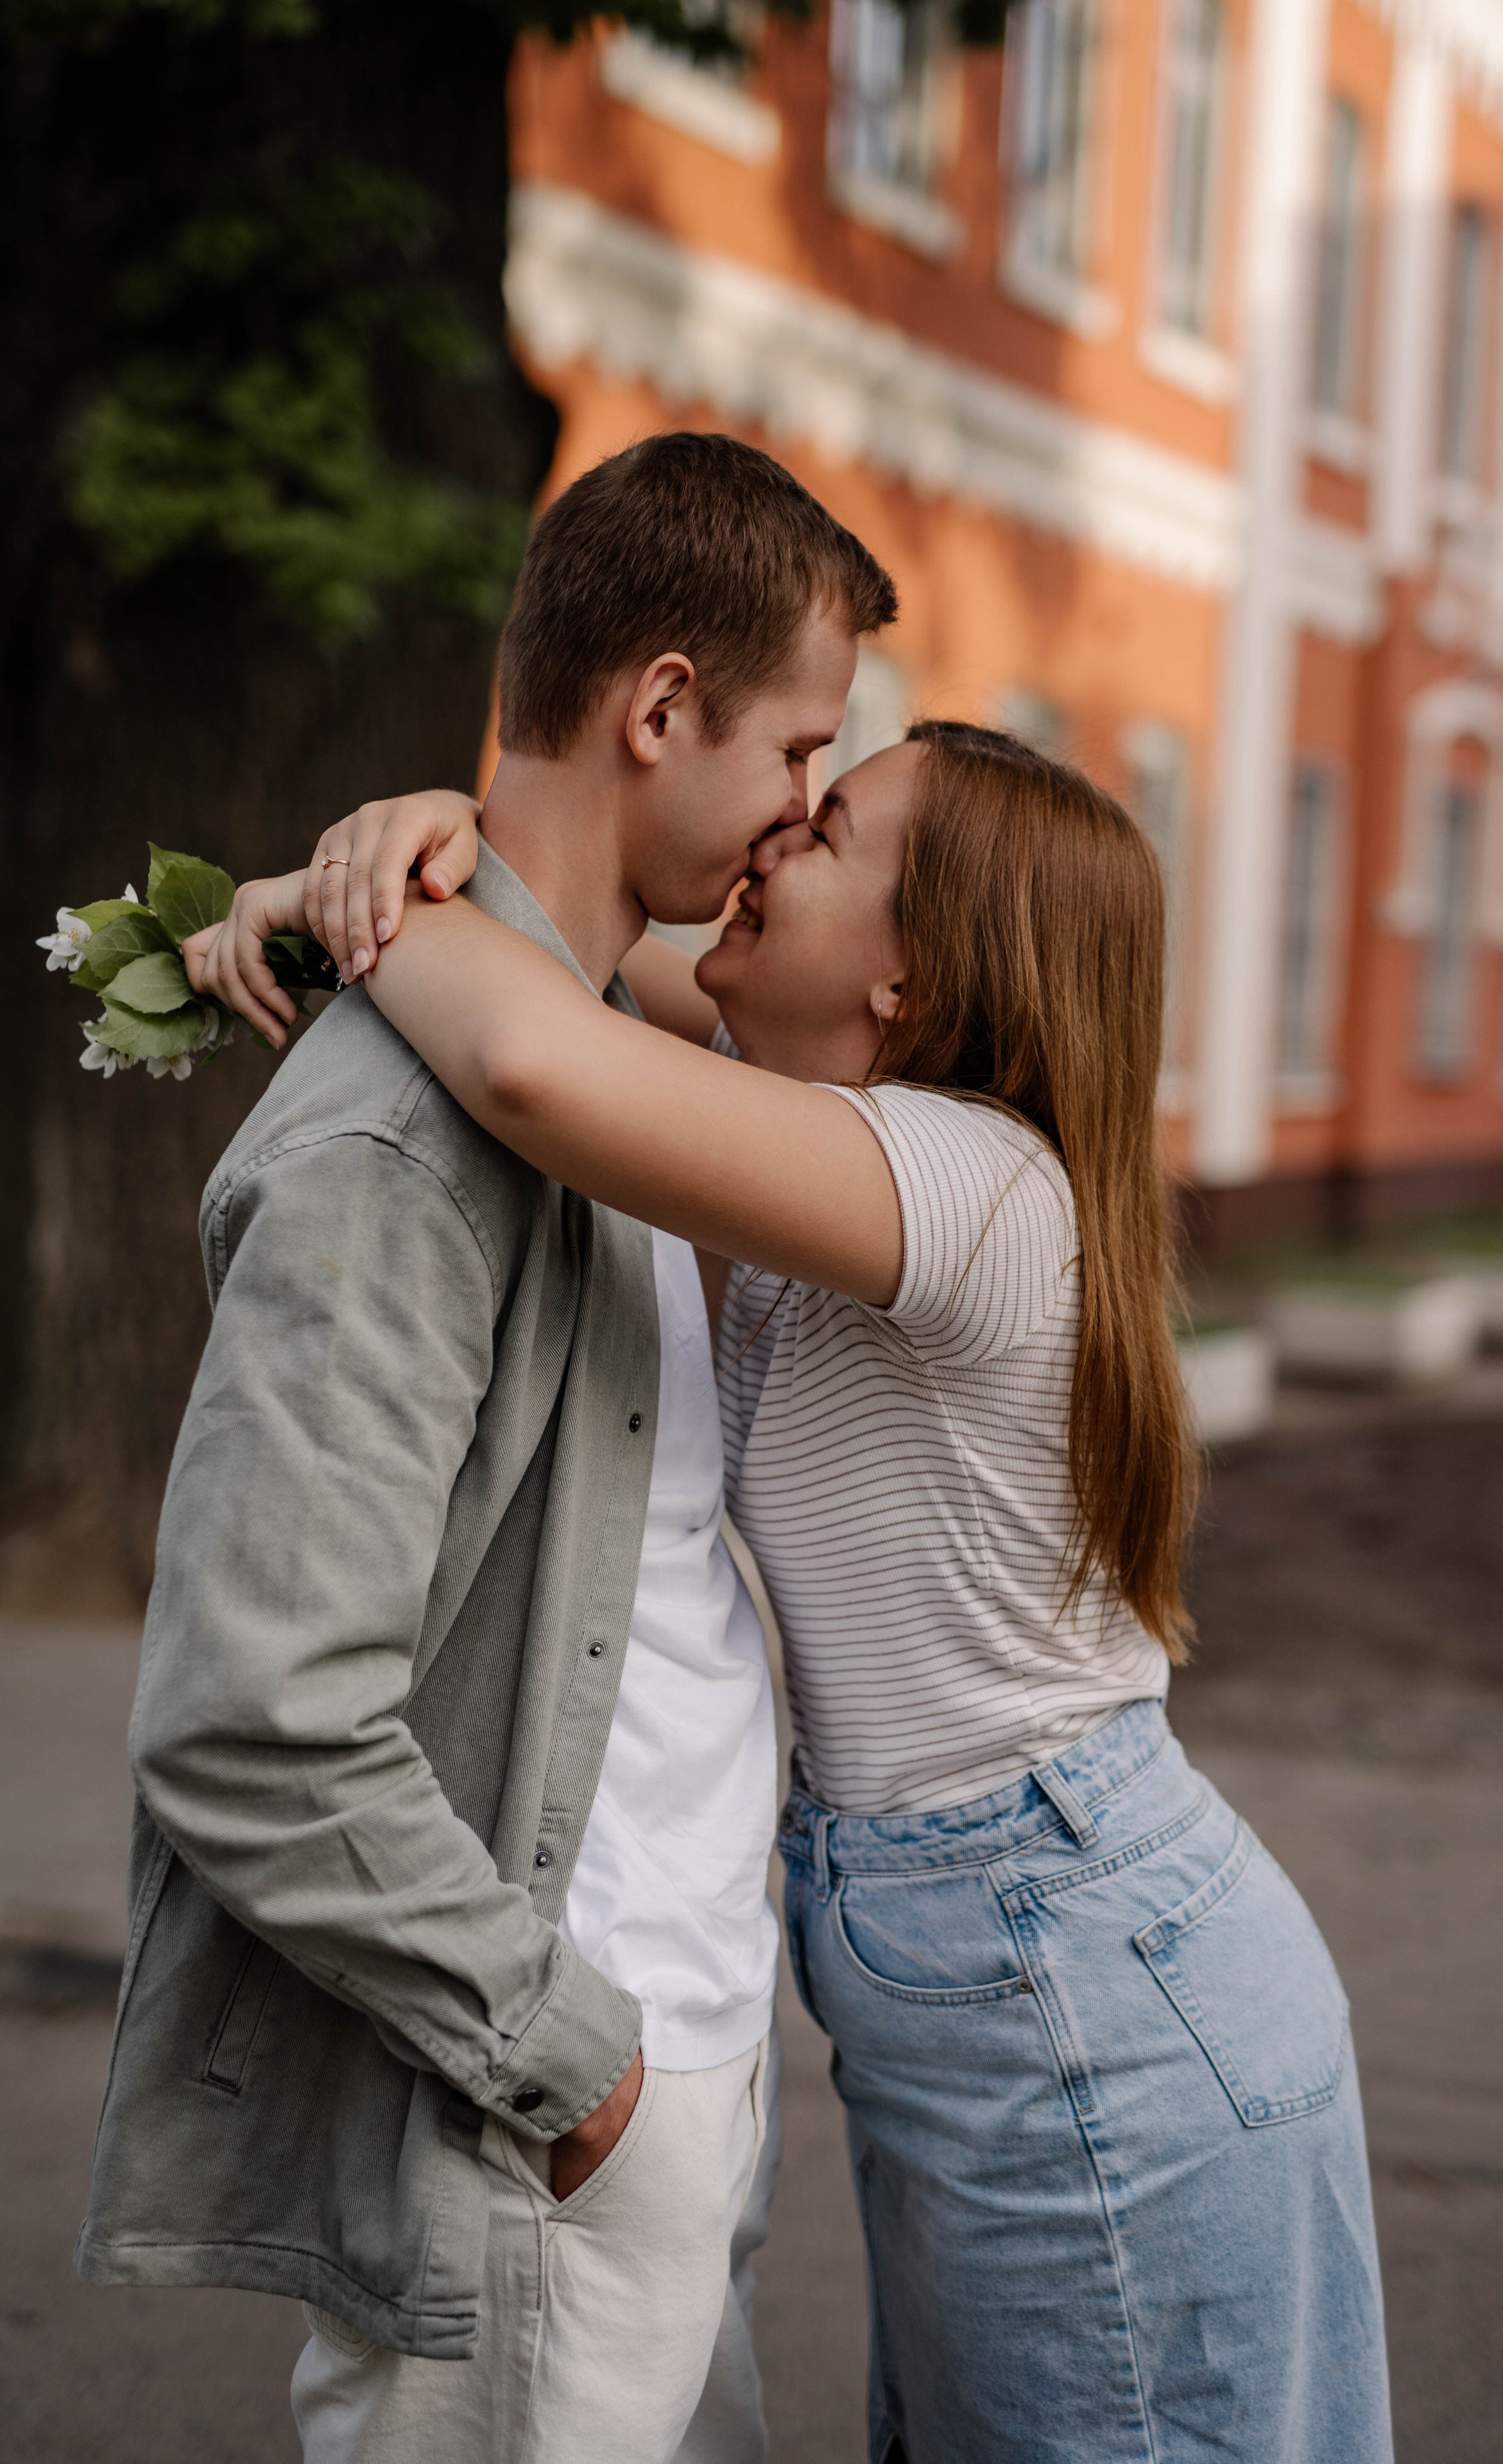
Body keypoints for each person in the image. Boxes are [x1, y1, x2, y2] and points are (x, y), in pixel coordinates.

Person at [197, 719, 1396, 2464]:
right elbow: (551, 929)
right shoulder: (818, 1126)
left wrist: (339, 896)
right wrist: (406, 839)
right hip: (1005, 1963)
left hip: (1078, 1969)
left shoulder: (973, 1182)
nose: (769, 844)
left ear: (912, 974)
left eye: (826, 831)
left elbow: (526, 1047)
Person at [76, 430, 899, 2464]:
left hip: (676, 2065)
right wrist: (576, 2068)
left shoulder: (599, 1057)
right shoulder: (399, 1146)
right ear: (663, 710)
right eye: (802, 751)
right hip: (544, 2121)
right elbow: (253, 1721)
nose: (807, 811)